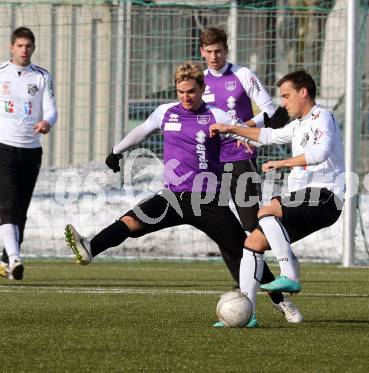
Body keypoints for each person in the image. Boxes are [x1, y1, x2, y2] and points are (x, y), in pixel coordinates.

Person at [64, 62, 282, 327]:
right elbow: (142, 130)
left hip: (206, 200)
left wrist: (260, 134)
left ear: (202, 88)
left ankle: (283, 302)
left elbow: (244, 131)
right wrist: (116, 150)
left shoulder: (217, 115)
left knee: (241, 249)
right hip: (173, 197)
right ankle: (90, 248)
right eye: (180, 91)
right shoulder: (165, 112)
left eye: (190, 91)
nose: (185, 97)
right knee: (130, 221)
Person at [209, 70, 345, 323]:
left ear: (303, 92)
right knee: (253, 243)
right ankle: (247, 314)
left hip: (326, 197)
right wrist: (231, 129)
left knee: (267, 210)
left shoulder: (322, 117)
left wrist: (282, 162)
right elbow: (268, 136)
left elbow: (320, 153)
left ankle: (289, 274)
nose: (283, 103)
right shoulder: (298, 125)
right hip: (304, 199)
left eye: (286, 96)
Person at [199, 27, 300, 323]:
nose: (215, 56)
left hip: (240, 159)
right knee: (225, 236)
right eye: (209, 51)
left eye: (219, 51)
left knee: (253, 227)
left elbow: (270, 110)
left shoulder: (243, 74)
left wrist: (244, 128)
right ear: (202, 52)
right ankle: (252, 304)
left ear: (226, 50)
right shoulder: (198, 81)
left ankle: (285, 274)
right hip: (211, 166)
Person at [0, 27, 58, 281]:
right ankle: (15, 259)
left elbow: (52, 109)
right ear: (12, 47)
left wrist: (47, 122)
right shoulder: (1, 73)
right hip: (4, 147)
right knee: (8, 206)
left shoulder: (41, 77)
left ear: (33, 48)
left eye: (29, 46)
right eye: (20, 46)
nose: (24, 50)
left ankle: (6, 260)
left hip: (32, 150)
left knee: (21, 210)